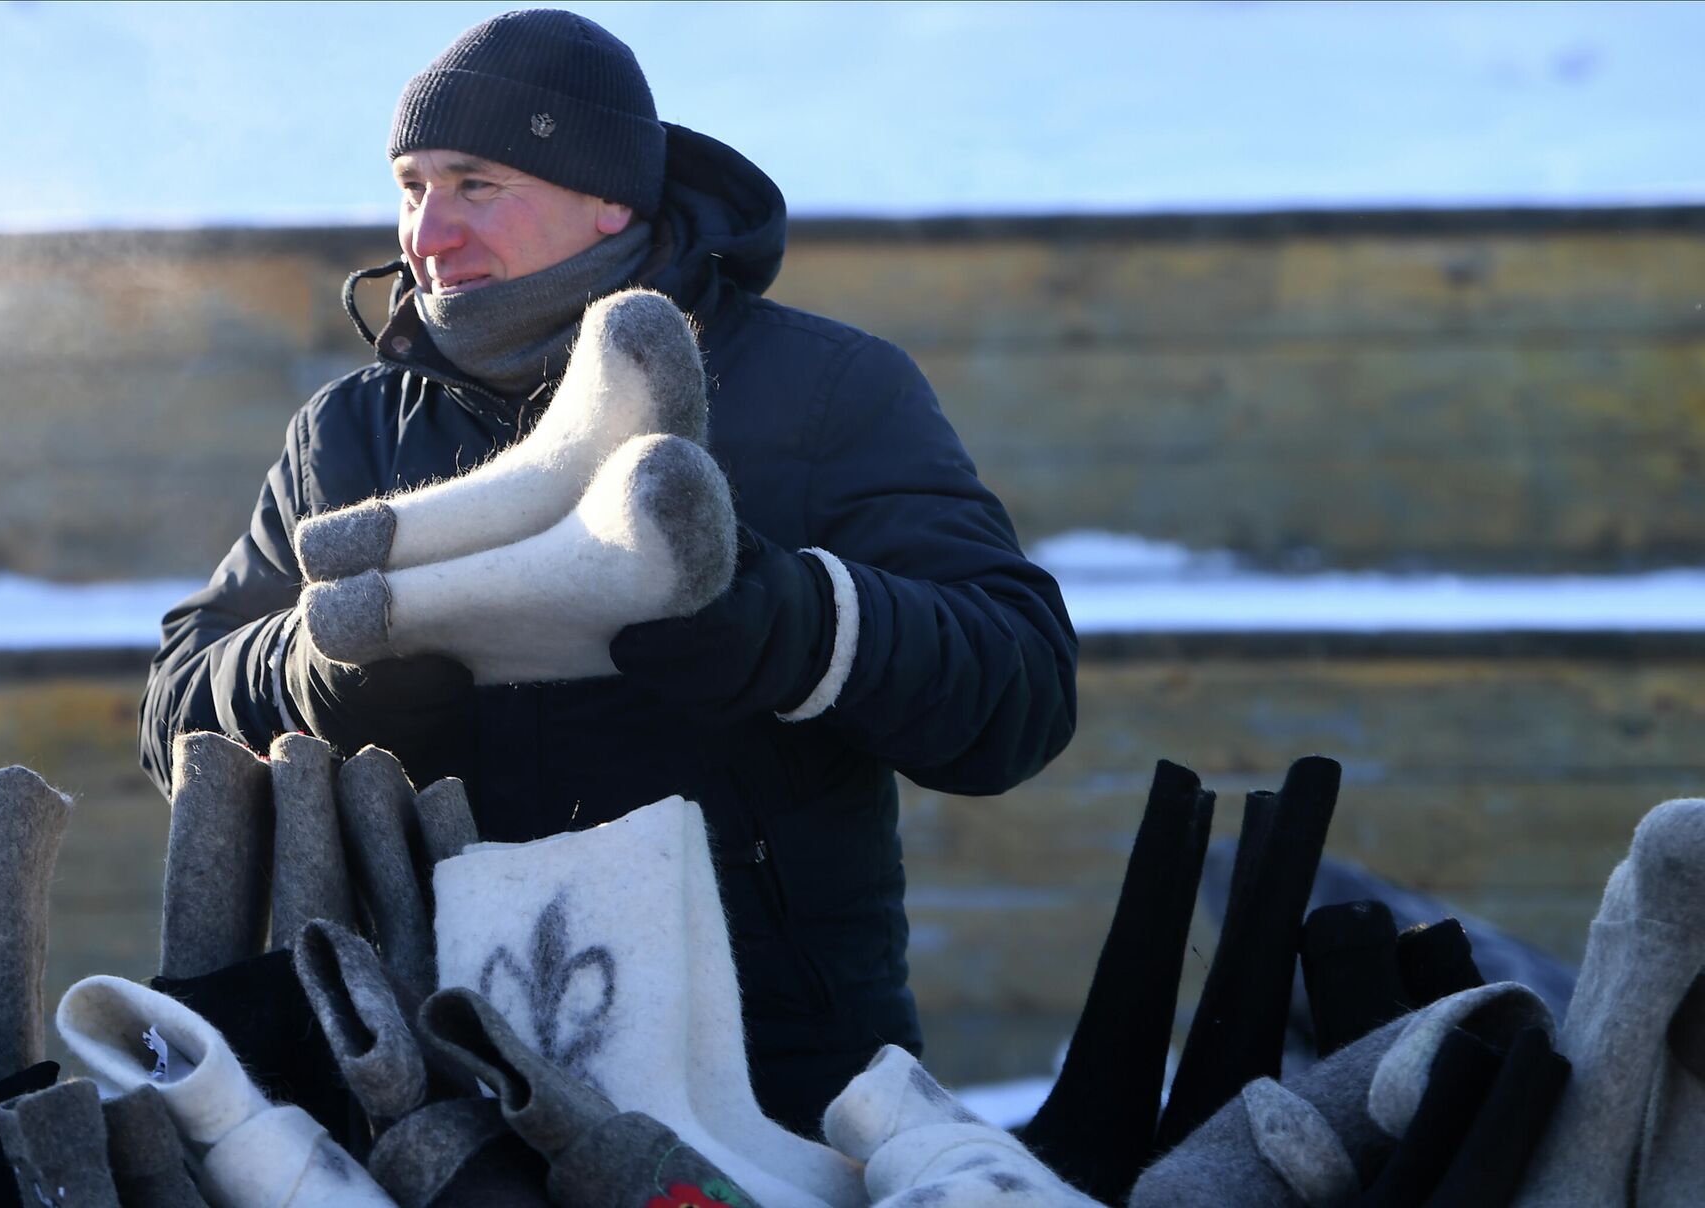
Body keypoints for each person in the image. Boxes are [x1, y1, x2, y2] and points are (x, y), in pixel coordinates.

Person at [138, 7, 1078, 1131]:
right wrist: (318, 670)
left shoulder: (827, 389)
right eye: (411, 184)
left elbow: (1019, 687)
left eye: (476, 184)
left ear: (610, 198)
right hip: (430, 1077)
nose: (427, 235)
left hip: (775, 1076)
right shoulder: (349, 433)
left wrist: (789, 623)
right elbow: (173, 710)